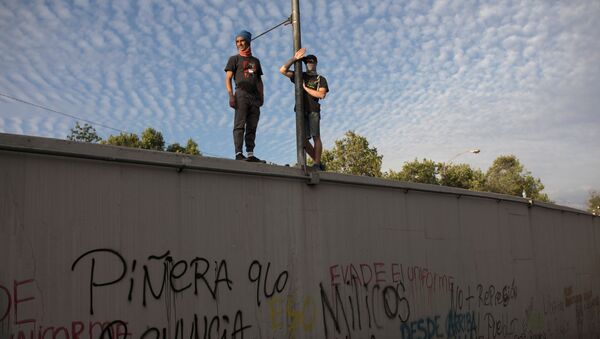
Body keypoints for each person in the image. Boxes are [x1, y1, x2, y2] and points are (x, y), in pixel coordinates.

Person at [280, 49, 329, 170]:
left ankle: (316, 164)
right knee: (302, 140)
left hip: (313, 110)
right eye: (307, 62)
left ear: (316, 63)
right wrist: (294, 59)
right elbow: (282, 70)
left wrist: (305, 89)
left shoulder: (320, 78)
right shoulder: (300, 75)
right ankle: (318, 162)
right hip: (301, 110)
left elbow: (321, 95)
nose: (309, 64)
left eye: (312, 62)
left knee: (315, 136)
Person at [224, 30, 265, 162]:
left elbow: (259, 81)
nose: (239, 43)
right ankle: (238, 153)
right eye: (237, 42)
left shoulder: (255, 61)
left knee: (252, 126)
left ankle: (250, 154)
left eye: (242, 41)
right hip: (241, 94)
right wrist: (231, 96)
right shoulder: (234, 59)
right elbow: (228, 78)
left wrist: (262, 96)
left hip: (255, 98)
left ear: (248, 42)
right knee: (239, 124)